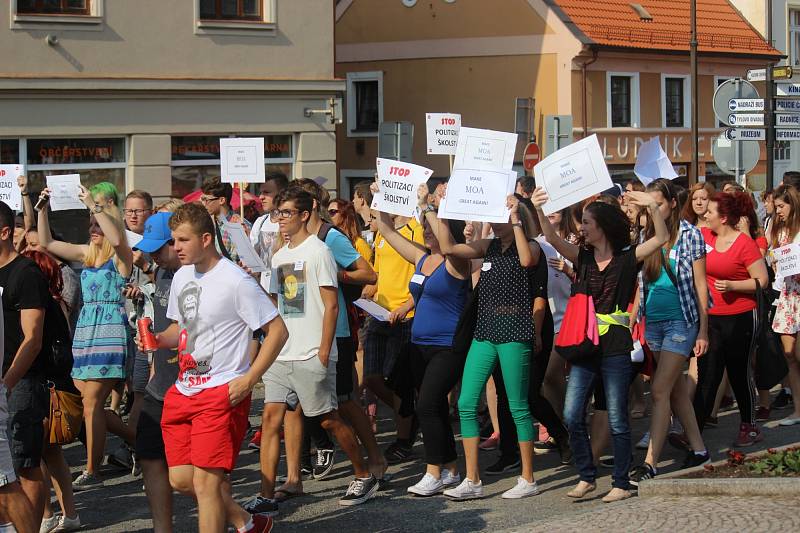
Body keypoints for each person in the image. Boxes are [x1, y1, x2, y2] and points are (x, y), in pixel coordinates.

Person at [155, 202, 286, 533]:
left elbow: (278, 331)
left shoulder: (236, 280)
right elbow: (180, 330)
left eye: (182, 240)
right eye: (174, 241)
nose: (176, 248)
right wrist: (157, 338)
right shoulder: (182, 274)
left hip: (221, 391)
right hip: (184, 390)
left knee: (207, 486)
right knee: (182, 480)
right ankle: (246, 522)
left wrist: (250, 379)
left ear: (206, 239)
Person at [532, 186, 669, 503]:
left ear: (602, 227)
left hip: (616, 347)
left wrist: (651, 207)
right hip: (584, 343)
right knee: (571, 414)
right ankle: (587, 476)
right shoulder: (582, 257)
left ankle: (621, 482)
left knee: (618, 417)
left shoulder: (626, 258)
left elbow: (660, 239)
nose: (582, 228)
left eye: (588, 223)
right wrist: (539, 208)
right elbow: (552, 239)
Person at [257, 187, 378, 510]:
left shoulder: (319, 251)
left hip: (311, 350)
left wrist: (324, 351)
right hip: (282, 352)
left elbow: (331, 306)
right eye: (277, 213)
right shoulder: (280, 255)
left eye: (287, 213)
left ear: (304, 216)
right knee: (271, 419)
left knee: (327, 419)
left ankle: (363, 473)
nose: (280, 220)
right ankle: (266, 494)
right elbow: (277, 301)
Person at [437, 193, 542, 500]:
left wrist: (516, 221)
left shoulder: (529, 244)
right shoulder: (488, 246)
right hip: (485, 332)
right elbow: (448, 248)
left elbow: (526, 260)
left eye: (499, 217)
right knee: (467, 402)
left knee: (518, 406)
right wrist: (442, 211)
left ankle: (528, 478)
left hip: (514, 332)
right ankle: (472, 479)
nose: (494, 223)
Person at [373, 183, 470, 496]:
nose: (426, 233)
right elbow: (387, 232)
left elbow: (445, 240)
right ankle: (452, 468)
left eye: (432, 230)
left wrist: (427, 206)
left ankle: (433, 471)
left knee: (426, 405)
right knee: (435, 407)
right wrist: (381, 198)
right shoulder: (422, 259)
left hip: (447, 346)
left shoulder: (457, 263)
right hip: (419, 345)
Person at [37, 182, 133, 490]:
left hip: (109, 334)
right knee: (90, 405)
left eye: (96, 223)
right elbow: (47, 242)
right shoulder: (86, 253)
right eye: (90, 223)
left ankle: (93, 469)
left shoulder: (121, 254)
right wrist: (41, 210)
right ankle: (144, 446)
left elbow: (116, 237)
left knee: (92, 404)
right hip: (85, 333)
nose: (92, 228)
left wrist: (94, 205)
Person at [627, 179, 711, 486]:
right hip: (655, 323)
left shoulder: (691, 234)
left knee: (659, 391)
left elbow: (701, 285)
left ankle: (650, 463)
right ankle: (700, 450)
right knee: (675, 391)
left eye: (657, 204)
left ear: (672, 204)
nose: (652, 210)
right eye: (649, 205)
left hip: (682, 321)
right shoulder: (646, 234)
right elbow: (640, 284)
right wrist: (632, 320)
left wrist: (703, 329)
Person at [695, 191, 769, 446]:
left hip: (741, 317)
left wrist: (735, 285)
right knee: (708, 374)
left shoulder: (744, 244)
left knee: (738, 373)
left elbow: (762, 280)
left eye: (711, 212)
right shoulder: (705, 236)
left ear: (724, 218)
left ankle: (749, 426)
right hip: (711, 318)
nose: (705, 214)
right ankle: (694, 431)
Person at [127, 212, 182, 533]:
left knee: (192, 476)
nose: (154, 255)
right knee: (149, 457)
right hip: (159, 384)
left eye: (160, 248)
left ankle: (239, 519)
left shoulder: (195, 275)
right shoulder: (161, 272)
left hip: (191, 385)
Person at [21, 250, 81, 533]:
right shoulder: (55, 303)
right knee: (51, 455)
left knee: (34, 456)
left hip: (43, 387)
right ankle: (67, 514)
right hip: (55, 385)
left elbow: (38, 347)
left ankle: (47, 515)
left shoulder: (40, 305)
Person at [362, 201, 425, 464]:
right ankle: (410, 414)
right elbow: (379, 270)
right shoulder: (381, 231)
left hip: (405, 316)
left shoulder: (416, 229)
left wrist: (408, 305)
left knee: (398, 381)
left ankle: (404, 437)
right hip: (380, 314)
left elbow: (425, 270)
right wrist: (370, 288)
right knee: (372, 378)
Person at [0, 202, 48, 532]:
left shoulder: (26, 274)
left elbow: (33, 338)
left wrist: (6, 384)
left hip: (21, 382)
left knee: (23, 467)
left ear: (4, 233)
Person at [767, 186, 800, 427]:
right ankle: (798, 410)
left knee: (798, 354)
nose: (778, 211)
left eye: (781, 206)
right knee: (789, 356)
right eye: (776, 207)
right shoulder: (780, 230)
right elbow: (774, 257)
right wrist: (775, 261)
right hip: (787, 295)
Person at [249, 172, 290, 292]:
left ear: (281, 193)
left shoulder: (290, 221)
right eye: (260, 193)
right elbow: (253, 258)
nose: (261, 197)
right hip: (264, 289)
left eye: (266, 193)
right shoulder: (260, 222)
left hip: (286, 288)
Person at [200, 176, 252, 263]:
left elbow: (242, 262)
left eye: (206, 200)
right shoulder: (205, 224)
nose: (203, 204)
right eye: (202, 199)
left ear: (221, 200)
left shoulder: (241, 225)